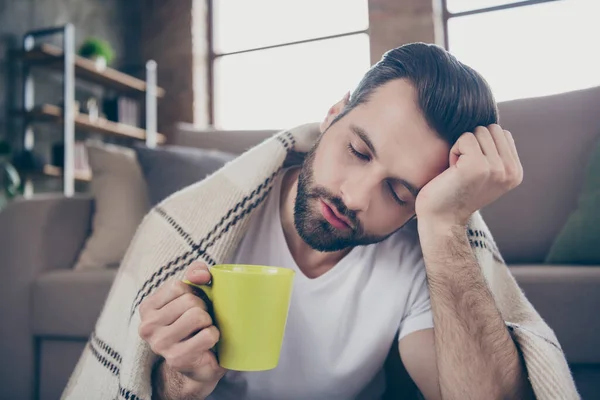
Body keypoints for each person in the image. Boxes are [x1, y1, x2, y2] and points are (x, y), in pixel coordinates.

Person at [138, 43, 534, 399]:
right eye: (358, 151)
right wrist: (181, 382)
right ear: (332, 115)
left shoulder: (418, 259)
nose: (356, 198)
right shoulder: (206, 222)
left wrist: (446, 226)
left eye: (399, 194)